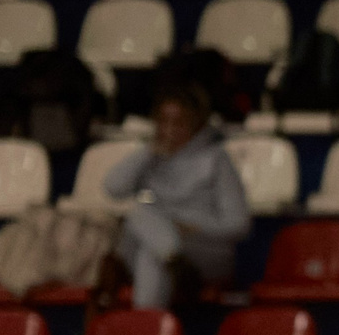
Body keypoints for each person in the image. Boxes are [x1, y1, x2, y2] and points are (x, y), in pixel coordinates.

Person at [102, 85, 250, 310]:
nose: (169, 130)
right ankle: (173, 259)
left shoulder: (216, 160)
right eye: (163, 122)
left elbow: (238, 224)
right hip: (166, 248)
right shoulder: (151, 157)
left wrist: (189, 226)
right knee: (141, 215)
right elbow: (113, 188)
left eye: (178, 123)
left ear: (196, 124)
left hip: (204, 251)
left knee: (149, 249)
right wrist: (148, 151)